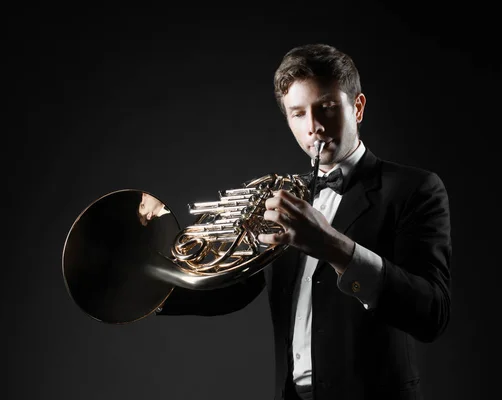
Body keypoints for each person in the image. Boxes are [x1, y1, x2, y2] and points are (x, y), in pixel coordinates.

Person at [155, 43, 452, 400]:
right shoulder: (281, 198)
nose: (313, 127)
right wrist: (146, 287)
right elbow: (233, 289)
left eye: (325, 107)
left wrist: (332, 246)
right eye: (298, 113)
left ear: (356, 108)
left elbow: (431, 312)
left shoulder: (415, 189)